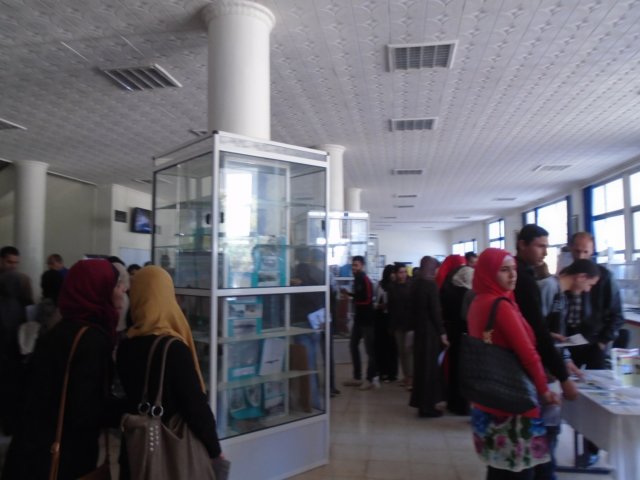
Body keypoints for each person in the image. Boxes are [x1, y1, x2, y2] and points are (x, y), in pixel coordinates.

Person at [2, 259, 126, 479]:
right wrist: (127, 410)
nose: (123, 291)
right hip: (62, 456)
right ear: (98, 290)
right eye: (116, 285)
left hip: (32, 450)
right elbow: (85, 410)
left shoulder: (60, 329)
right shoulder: (91, 340)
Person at [116, 266, 223, 478]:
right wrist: (214, 450)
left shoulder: (125, 346)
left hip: (137, 449)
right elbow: (195, 407)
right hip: (170, 455)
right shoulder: (173, 348)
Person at [467, 248, 559, 479]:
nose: (512, 275)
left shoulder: (478, 301)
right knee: (518, 470)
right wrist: (544, 390)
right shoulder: (501, 306)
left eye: (514, 269)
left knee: (497, 467)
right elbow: (528, 354)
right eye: (504, 270)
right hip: (513, 400)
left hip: (488, 396)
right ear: (489, 273)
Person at [537, 259, 600, 480]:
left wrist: (566, 359)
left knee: (552, 426)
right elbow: (535, 330)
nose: (588, 290)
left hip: (552, 367)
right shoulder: (547, 287)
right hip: (541, 370)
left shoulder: (561, 295)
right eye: (589, 285)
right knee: (546, 428)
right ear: (580, 277)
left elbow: (556, 335)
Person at [567, 232, 624, 467]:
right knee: (569, 393)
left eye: (586, 252)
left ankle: (592, 449)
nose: (581, 256)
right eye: (577, 251)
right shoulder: (566, 276)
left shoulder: (605, 277)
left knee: (595, 397)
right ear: (570, 250)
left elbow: (617, 316)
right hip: (568, 343)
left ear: (592, 252)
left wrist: (602, 342)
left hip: (594, 345)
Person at [409, 256, 448, 417]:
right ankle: (427, 407)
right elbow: (435, 311)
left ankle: (421, 404)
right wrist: (442, 332)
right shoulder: (430, 285)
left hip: (419, 331)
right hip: (430, 333)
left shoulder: (415, 283)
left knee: (421, 368)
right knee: (430, 369)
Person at [440, 257, 474, 415]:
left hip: (451, 332)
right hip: (464, 335)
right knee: (464, 371)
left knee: (454, 368)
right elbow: (468, 317)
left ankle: (452, 402)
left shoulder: (447, 289)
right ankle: (462, 406)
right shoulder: (467, 294)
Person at [341, 255, 378, 390]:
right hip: (359, 320)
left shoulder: (365, 279)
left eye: (356, 265)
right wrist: (350, 295)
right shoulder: (357, 279)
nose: (354, 268)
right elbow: (359, 296)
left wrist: (353, 300)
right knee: (353, 345)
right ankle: (357, 377)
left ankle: (370, 379)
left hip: (367, 321)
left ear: (362, 266)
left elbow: (367, 300)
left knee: (370, 351)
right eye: (353, 265)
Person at [387, 264, 413, 389]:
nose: (403, 275)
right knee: (401, 351)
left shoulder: (411, 286)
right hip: (397, 323)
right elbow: (391, 307)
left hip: (409, 323)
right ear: (396, 274)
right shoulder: (392, 287)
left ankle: (411, 377)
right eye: (400, 272)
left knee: (408, 351)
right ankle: (406, 376)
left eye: (404, 272)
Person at [374, 265, 398, 383]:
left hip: (391, 318)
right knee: (381, 346)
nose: (393, 275)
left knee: (392, 347)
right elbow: (374, 300)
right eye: (391, 272)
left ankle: (391, 373)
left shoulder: (396, 286)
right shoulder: (380, 285)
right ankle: (382, 371)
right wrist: (378, 306)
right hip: (380, 318)